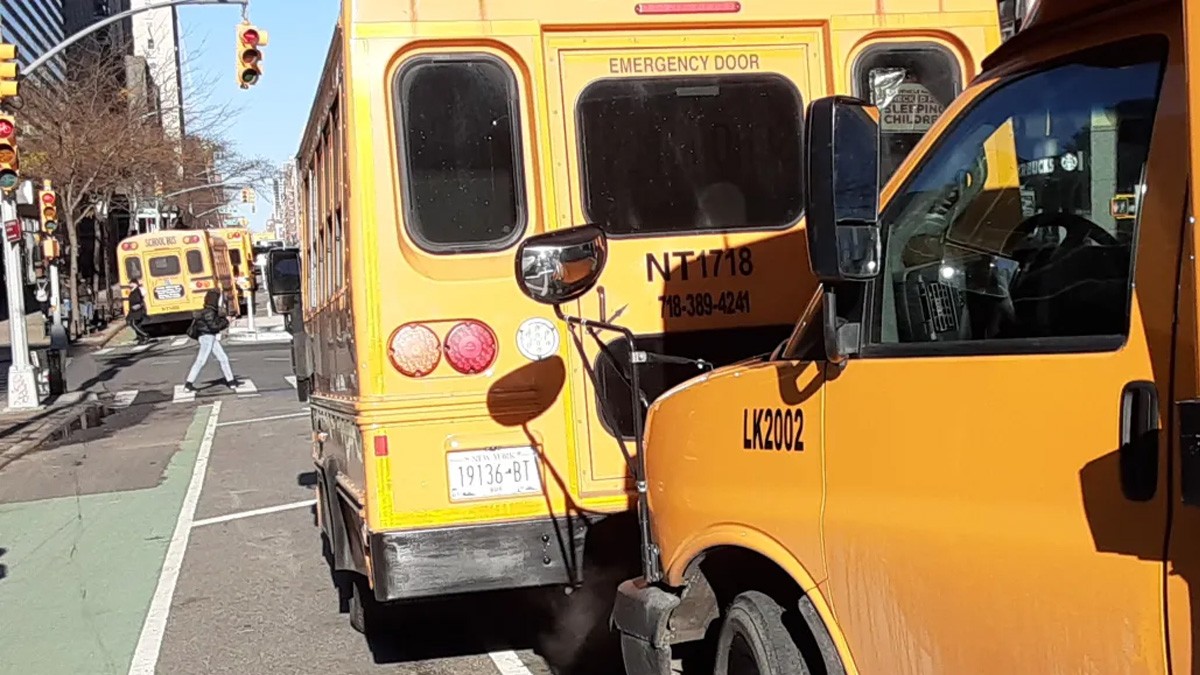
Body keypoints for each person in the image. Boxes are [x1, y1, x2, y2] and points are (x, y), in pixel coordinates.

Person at [184, 290, 239, 392]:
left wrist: (225, 320)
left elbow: (214, 323)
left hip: (209, 337)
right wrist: (227, 321)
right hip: (207, 337)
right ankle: (188, 384)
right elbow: (214, 326)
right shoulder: (210, 312)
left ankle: (231, 381)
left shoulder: (207, 311)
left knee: (223, 358)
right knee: (201, 361)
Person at [126, 278, 150, 344]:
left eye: (131, 283)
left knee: (133, 324)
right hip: (134, 311)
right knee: (137, 324)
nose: (130, 284)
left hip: (137, 311)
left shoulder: (137, 290)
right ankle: (141, 337)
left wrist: (135, 305)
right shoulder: (133, 291)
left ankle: (145, 335)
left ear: (135, 284)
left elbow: (138, 300)